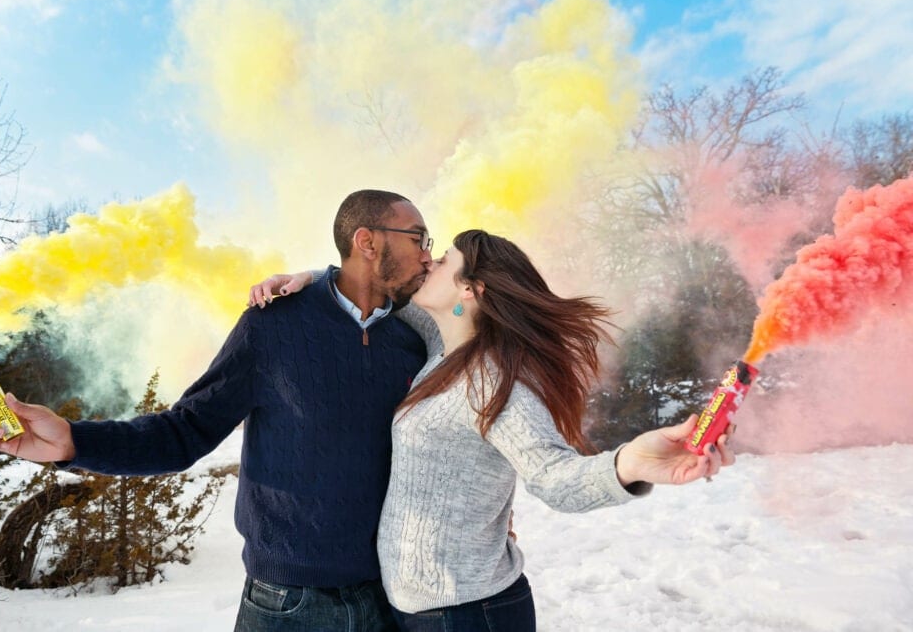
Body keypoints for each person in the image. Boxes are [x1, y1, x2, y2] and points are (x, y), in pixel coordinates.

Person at [0, 189, 436, 632]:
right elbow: (185, 431)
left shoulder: (413, 342)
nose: (427, 255)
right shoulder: (275, 324)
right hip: (290, 604)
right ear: (367, 240)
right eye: (418, 237)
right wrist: (74, 441)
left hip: (389, 598)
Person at [252, 229, 735, 632]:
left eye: (442, 261)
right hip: (422, 609)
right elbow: (382, 297)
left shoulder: (495, 383)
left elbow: (554, 477)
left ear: (470, 290)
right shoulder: (442, 345)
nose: (428, 265)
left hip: (467, 613)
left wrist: (628, 463)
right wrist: (318, 281)